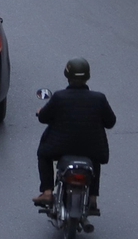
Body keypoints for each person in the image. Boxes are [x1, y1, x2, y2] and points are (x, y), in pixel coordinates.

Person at [33, 58, 115, 212]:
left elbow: (44, 118)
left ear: (67, 75)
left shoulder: (59, 97)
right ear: (87, 76)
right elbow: (110, 122)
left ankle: (48, 191)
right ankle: (92, 198)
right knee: (94, 160)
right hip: (92, 148)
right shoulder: (99, 99)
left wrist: (40, 112)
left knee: (43, 155)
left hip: (59, 148)